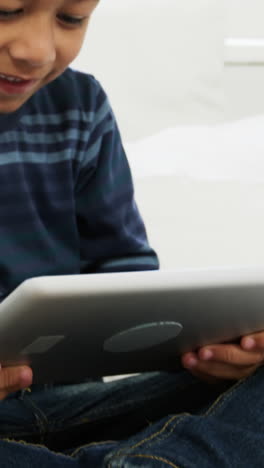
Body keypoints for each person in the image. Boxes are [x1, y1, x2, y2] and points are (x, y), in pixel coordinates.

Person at [0, 0, 264, 466]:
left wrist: (213, 357)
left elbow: (123, 278)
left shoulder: (80, 106)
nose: (36, 51)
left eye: (71, 19)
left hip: (71, 403)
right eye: (6, 11)